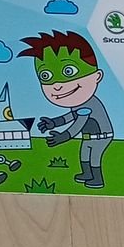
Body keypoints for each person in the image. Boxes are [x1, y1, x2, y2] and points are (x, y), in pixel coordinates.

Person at [19, 30, 114, 188]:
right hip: (89, 137)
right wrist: (53, 123)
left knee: (94, 157)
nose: (57, 85)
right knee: (84, 154)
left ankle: (97, 179)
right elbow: (70, 117)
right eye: (46, 76)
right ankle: (87, 174)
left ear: (97, 76)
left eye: (68, 71)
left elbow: (78, 124)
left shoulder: (89, 104)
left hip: (101, 136)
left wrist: (63, 137)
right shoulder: (78, 103)